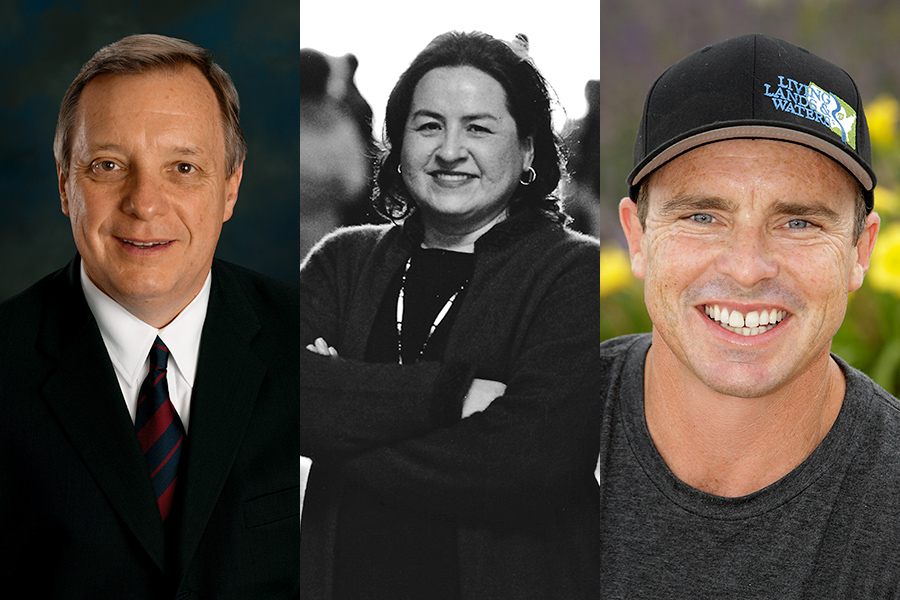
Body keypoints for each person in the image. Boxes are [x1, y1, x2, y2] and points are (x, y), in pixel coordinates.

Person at [299, 31, 602, 600]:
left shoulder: (575, 273)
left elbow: (527, 467)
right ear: (399, 142)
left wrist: (337, 421)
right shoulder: (344, 261)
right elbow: (268, 394)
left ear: (530, 149)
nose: (449, 150)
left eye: (479, 128)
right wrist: (450, 398)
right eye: (429, 124)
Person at [599, 33, 900, 596]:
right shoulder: (534, 427)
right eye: (702, 216)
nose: (747, 268)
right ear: (636, 238)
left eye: (799, 222)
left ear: (861, 251)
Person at [0, 34, 299, 598]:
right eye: (108, 165)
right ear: (66, 184)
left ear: (231, 188)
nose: (144, 202)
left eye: (183, 167)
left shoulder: (315, 343)